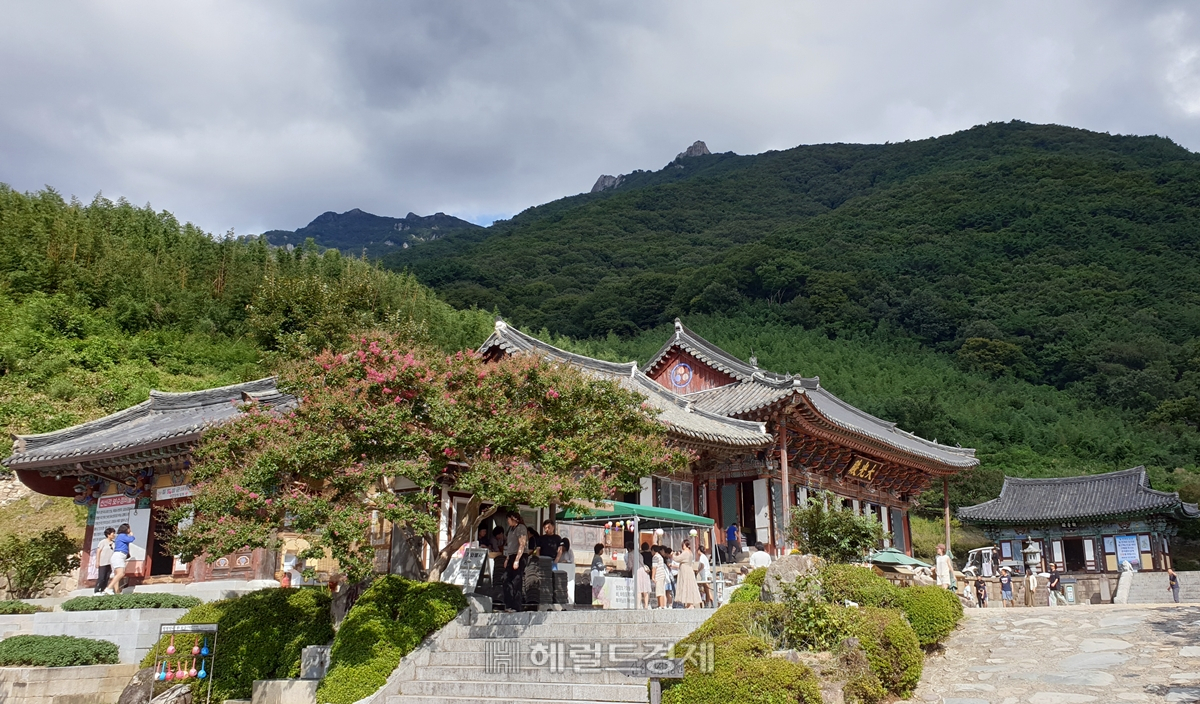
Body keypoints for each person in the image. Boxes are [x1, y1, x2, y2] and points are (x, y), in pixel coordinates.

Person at [502, 513, 529, 613]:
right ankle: (508, 604)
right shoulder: (510, 529)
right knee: (506, 578)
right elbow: (510, 546)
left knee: (516, 580)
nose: (508, 521)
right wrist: (508, 558)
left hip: (520, 555)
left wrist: (517, 560)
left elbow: (522, 544)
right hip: (511, 555)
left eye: (508, 519)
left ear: (514, 519)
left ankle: (516, 606)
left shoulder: (521, 528)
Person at [107, 523, 135, 595]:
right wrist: (132, 535)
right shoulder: (122, 536)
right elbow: (131, 539)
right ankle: (109, 588)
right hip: (119, 556)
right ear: (126, 529)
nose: (130, 529)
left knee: (117, 574)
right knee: (121, 573)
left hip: (118, 556)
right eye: (129, 528)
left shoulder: (120, 536)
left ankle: (116, 591)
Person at [673, 540, 702, 608]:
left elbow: (677, 559)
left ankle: (690, 603)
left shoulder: (685, 552)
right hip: (689, 569)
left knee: (686, 585)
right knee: (689, 586)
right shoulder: (690, 553)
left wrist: (673, 555)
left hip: (685, 570)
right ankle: (689, 603)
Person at [93, 528, 115, 594]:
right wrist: (97, 561)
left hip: (110, 563)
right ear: (108, 534)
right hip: (103, 562)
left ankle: (102, 590)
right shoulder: (103, 542)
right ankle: (97, 590)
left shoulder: (114, 543)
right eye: (112, 533)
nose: (114, 535)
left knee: (107, 578)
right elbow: (98, 551)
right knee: (101, 577)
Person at [557, 538, 576, 605]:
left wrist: (566, 561)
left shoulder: (570, 551)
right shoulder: (559, 551)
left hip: (568, 570)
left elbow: (572, 561)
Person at [634, 541, 652, 609]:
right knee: (646, 590)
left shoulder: (640, 554)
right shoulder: (651, 554)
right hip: (647, 571)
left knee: (639, 589)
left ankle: (639, 605)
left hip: (640, 571)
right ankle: (646, 605)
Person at [590, 543, 608, 607]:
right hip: (595, 575)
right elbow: (600, 566)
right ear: (600, 550)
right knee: (597, 589)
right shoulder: (598, 558)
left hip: (595, 574)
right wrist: (607, 567)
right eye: (602, 550)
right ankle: (596, 603)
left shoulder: (595, 557)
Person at [652, 545, 668, 609]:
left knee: (659, 591)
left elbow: (654, 567)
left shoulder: (655, 557)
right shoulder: (660, 557)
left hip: (658, 575)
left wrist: (653, 576)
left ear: (653, 550)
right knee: (662, 590)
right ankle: (661, 605)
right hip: (662, 575)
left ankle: (661, 605)